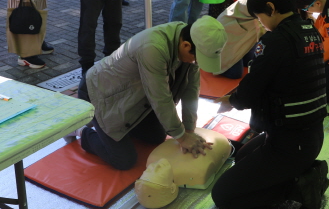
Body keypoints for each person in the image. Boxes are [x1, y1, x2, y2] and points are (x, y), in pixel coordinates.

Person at [212, 0, 329, 209]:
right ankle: (294, 175)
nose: (260, 23)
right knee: (242, 156)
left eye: (259, 16)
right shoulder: (310, 30)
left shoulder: (275, 41)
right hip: (309, 137)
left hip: (289, 145)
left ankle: (298, 188)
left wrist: (230, 100)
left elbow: (247, 95)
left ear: (271, 8)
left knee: (223, 195)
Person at [72, 16, 227, 170]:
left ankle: (118, 131)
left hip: (134, 95)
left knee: (157, 136)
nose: (196, 64)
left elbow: (191, 90)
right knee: (124, 160)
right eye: (196, 60)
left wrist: (188, 129)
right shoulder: (153, 48)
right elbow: (160, 97)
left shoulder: (193, 38)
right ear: (186, 45)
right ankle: (83, 131)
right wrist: (182, 137)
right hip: (102, 95)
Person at [214, 0, 265, 79]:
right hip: (228, 33)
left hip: (246, 35)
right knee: (235, 73)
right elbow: (266, 32)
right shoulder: (263, 0)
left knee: (254, 61)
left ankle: (240, 55)